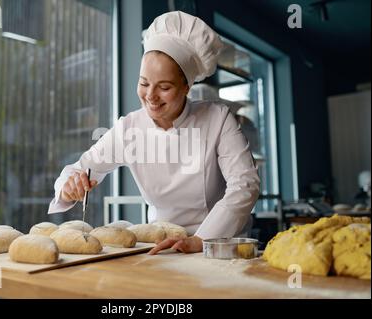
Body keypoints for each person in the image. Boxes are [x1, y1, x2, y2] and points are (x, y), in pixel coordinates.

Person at [48, 11, 260, 255]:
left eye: (165, 87)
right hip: (161, 246)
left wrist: (202, 239)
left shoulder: (218, 119)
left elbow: (245, 184)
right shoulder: (128, 129)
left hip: (220, 246)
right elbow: (80, 167)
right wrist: (69, 185)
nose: (150, 96)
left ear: (187, 87)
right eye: (144, 83)